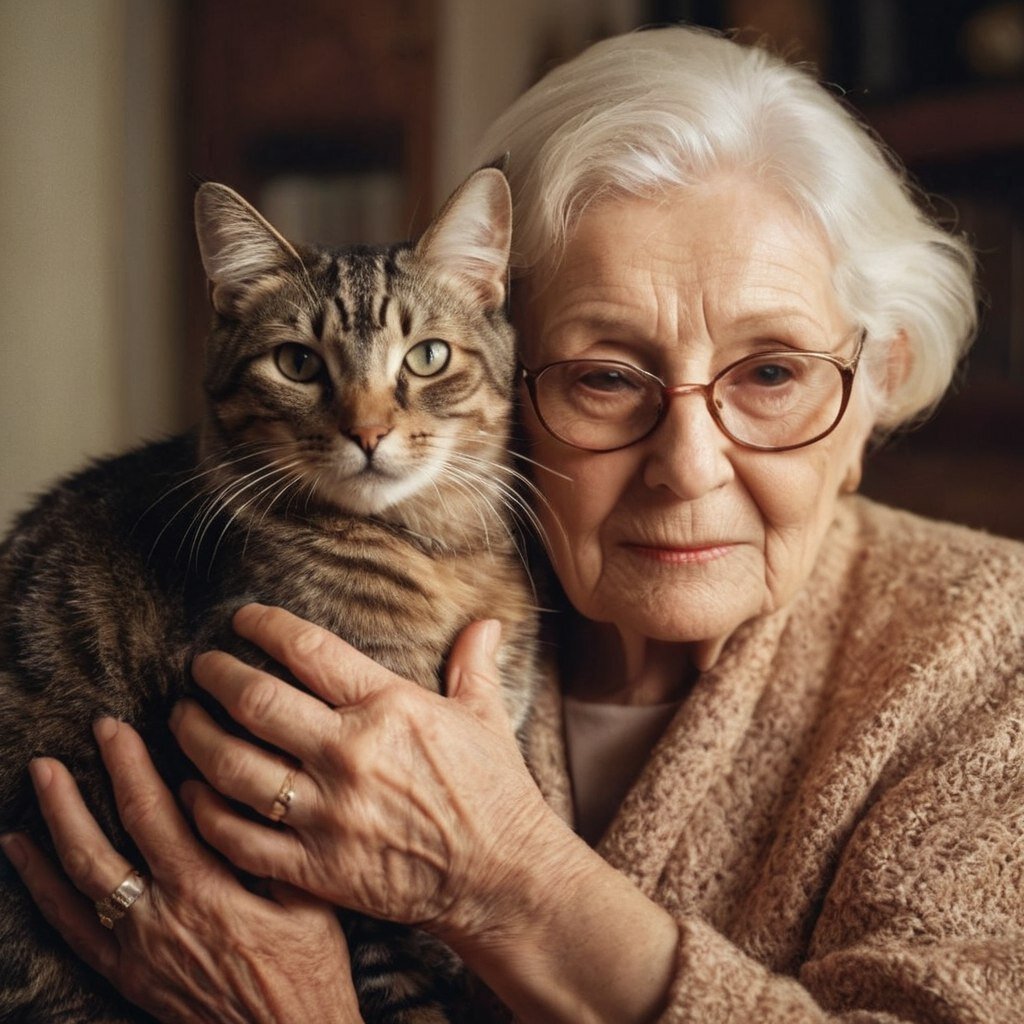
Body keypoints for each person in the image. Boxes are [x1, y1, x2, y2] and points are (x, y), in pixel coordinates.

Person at [4, 24, 1024, 1023]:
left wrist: (492, 884)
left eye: (771, 373)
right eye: (604, 376)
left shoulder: (989, 649)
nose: (686, 467)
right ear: (516, 376)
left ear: (874, 394)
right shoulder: (386, 570)